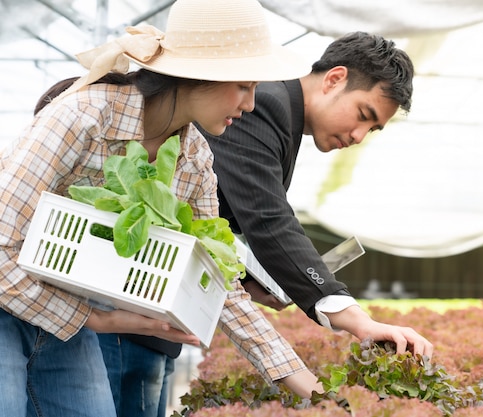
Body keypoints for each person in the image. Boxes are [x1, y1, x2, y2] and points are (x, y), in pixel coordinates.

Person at [1, 0, 314, 415]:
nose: (251, 104)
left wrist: (307, 386)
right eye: (243, 85)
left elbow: (218, 280)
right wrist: (96, 320)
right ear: (197, 76)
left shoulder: (195, 158)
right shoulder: (84, 115)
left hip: (62, 320)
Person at [198, 31, 434, 356]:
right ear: (334, 79)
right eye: (363, 115)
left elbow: (223, 206)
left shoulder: (283, 114)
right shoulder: (265, 103)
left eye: (372, 129)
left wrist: (251, 279)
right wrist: (357, 321)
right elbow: (267, 219)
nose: (359, 136)